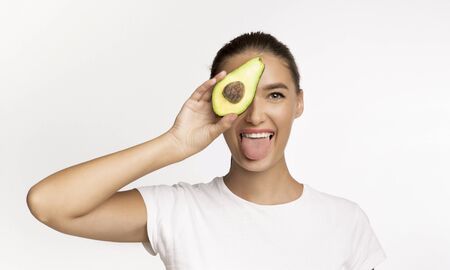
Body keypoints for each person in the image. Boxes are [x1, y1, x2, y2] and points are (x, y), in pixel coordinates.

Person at [26, 31, 386, 269]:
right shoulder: (179, 211)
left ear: (298, 103)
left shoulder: (345, 221)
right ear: (217, 104)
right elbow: (49, 204)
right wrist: (174, 144)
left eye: (275, 95)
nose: (255, 116)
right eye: (239, 97)